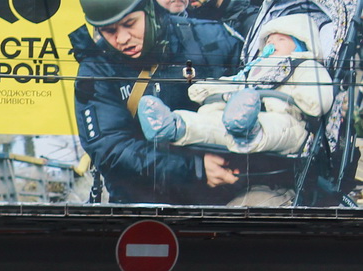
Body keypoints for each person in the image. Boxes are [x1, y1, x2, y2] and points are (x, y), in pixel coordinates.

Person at [70, 0, 244, 204]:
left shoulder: (211, 39)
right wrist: (195, 168)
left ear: (151, 11)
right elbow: (110, 151)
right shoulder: (97, 70)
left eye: (129, 24)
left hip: (226, 200)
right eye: (109, 31)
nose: (123, 39)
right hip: (140, 208)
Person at [137, 15, 332, 156]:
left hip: (289, 121)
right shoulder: (257, 69)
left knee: (276, 126)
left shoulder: (305, 66)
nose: (272, 43)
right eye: (269, 40)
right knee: (214, 121)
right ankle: (176, 125)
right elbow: (237, 82)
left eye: (281, 39)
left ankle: (248, 128)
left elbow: (318, 99)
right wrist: (207, 88)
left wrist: (303, 99)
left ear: (301, 45)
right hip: (243, 117)